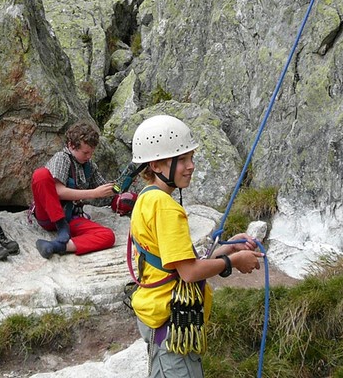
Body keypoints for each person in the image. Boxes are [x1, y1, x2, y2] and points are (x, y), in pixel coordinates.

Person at [127, 115, 263, 377]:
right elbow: (189, 273)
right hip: (172, 325)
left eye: (191, 158)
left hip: (158, 316)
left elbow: (172, 262)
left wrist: (225, 249)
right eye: (182, 159)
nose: (191, 166)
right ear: (156, 164)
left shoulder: (147, 197)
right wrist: (233, 261)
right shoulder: (166, 208)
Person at [31, 120, 117, 258]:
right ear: (71, 145)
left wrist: (117, 189)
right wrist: (94, 193)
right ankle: (61, 226)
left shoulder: (89, 165)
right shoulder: (61, 158)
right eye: (85, 152)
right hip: (48, 215)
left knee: (108, 236)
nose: (89, 156)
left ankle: (56, 246)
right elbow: (58, 191)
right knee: (40, 174)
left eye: (91, 153)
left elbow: (104, 191)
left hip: (71, 217)